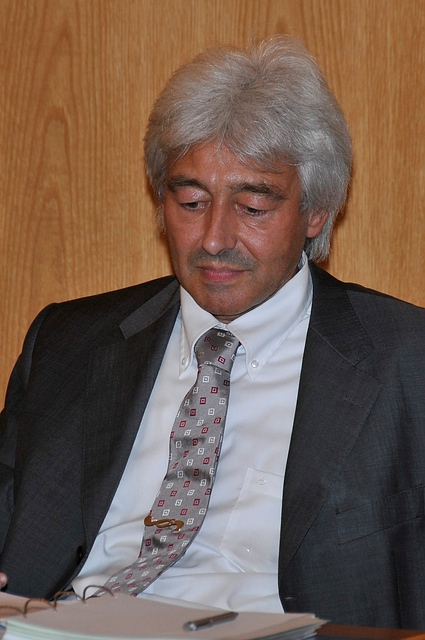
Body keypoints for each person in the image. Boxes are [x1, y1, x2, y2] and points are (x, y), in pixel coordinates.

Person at [1, 35, 425, 629]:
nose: (214, 239)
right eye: (191, 202)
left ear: (316, 211)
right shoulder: (68, 343)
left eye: (252, 208)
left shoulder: (406, 359)